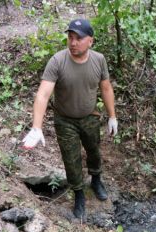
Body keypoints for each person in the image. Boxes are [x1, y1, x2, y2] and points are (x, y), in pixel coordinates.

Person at [22, 19, 118, 219]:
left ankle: (96, 179)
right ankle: (79, 193)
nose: (73, 43)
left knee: (93, 150)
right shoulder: (58, 61)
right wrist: (36, 127)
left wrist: (112, 116)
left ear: (90, 41)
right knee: (71, 158)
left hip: (90, 116)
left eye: (79, 39)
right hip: (65, 120)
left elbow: (106, 88)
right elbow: (43, 94)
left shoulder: (99, 60)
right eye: (70, 38)